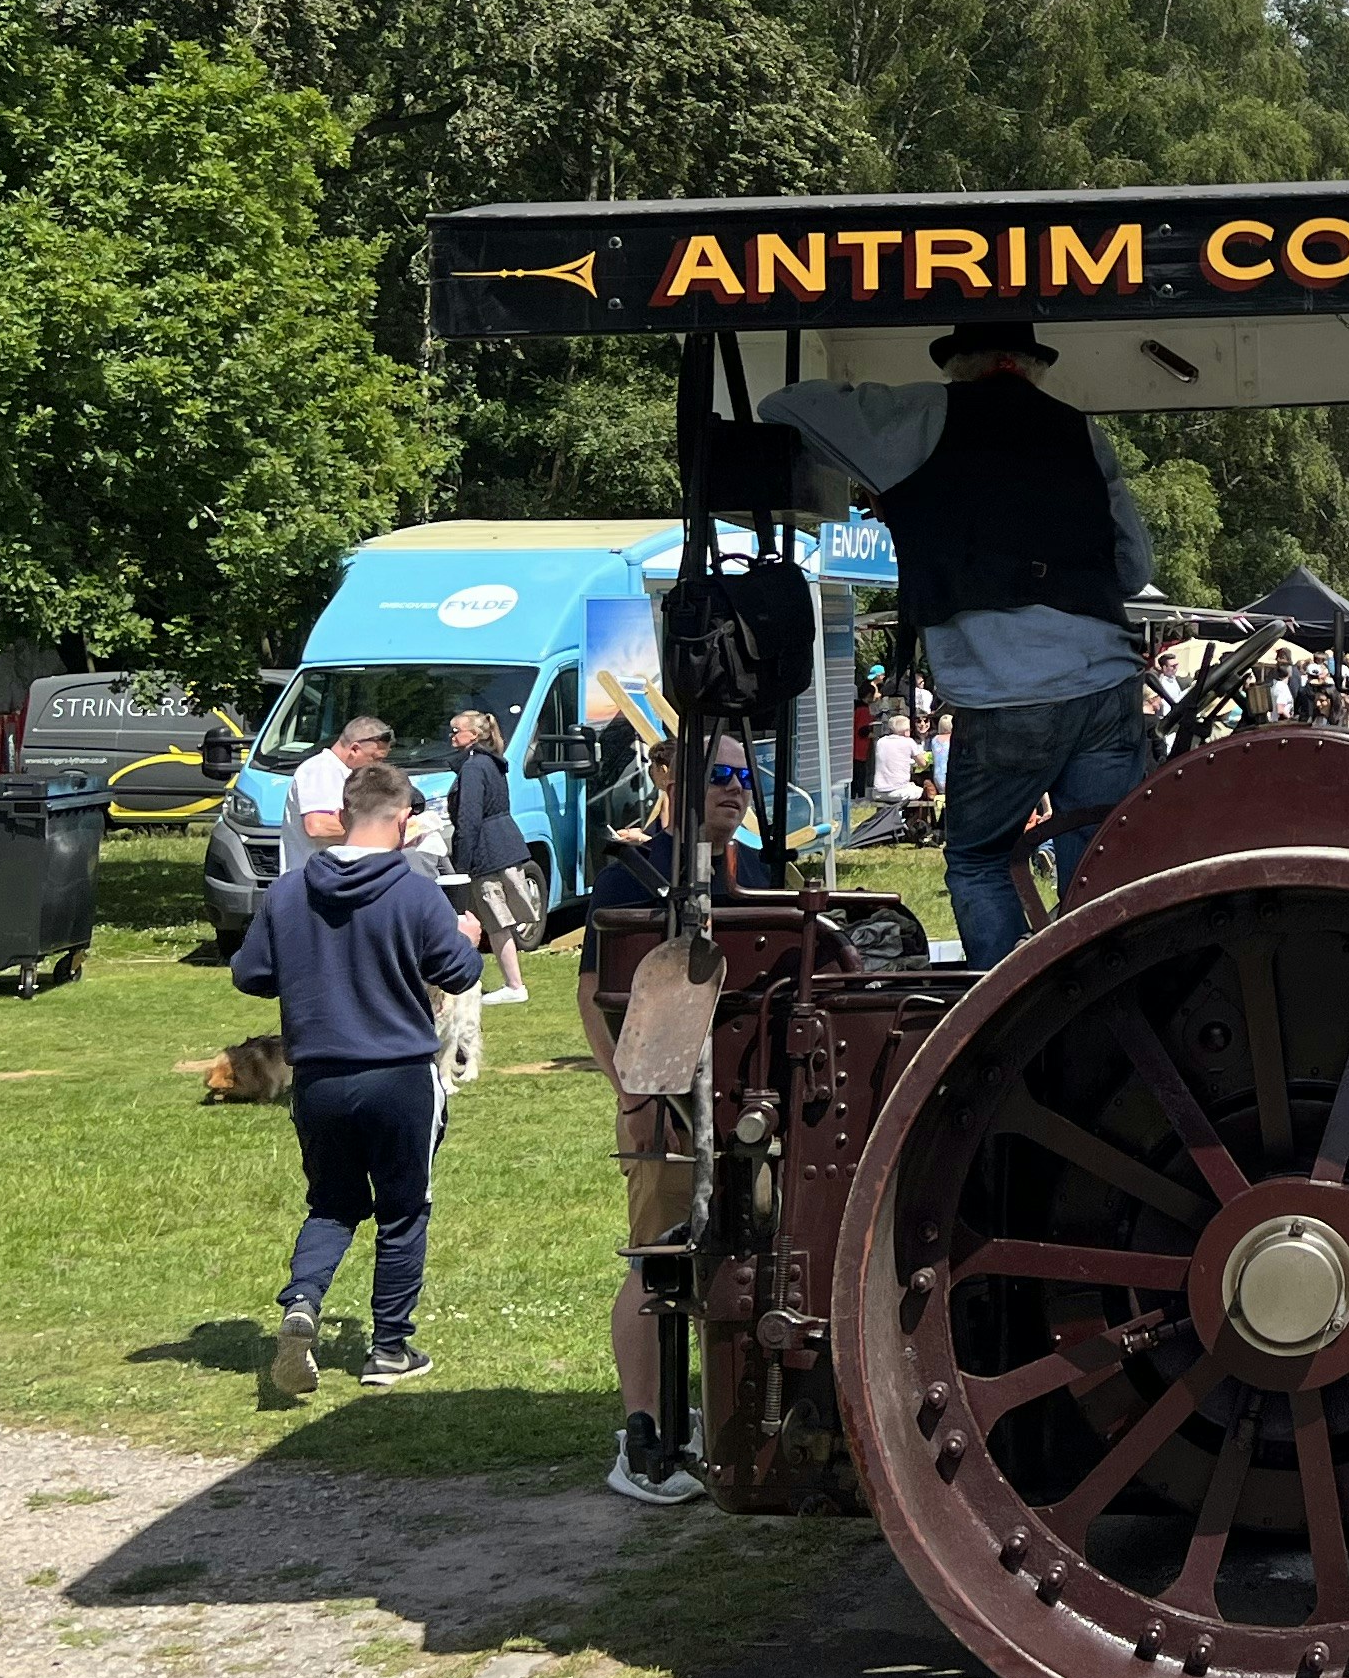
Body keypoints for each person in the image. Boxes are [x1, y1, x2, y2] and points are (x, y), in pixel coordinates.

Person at [764, 321, 1157, 969]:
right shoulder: (1081, 432)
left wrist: (892, 481)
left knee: (980, 860)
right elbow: (1135, 568)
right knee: (1101, 861)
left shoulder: (921, 418)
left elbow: (784, 406)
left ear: (964, 364)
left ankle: (1006, 1022)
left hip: (1003, 691)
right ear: (1024, 363)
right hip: (1105, 682)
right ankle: (1110, 1006)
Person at [236, 760, 485, 1395]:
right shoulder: (415, 892)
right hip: (399, 1075)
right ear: (403, 822)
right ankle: (391, 1350)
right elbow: (458, 973)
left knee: (332, 1203)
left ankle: (302, 1303)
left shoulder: (289, 891)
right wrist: (467, 934)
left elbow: (251, 974)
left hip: (317, 1077)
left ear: (343, 816)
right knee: (404, 1210)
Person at [580, 746, 783, 1502]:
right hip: (664, 1106)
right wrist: (634, 1093)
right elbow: (596, 996)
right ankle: (643, 1436)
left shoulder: (763, 871)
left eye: (743, 778)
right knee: (657, 1262)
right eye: (719, 777)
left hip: (753, 1107)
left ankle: (719, 1415)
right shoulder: (632, 874)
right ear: (674, 782)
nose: (735, 791)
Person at [444, 709, 533, 1016]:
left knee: (497, 921)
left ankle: (514, 985)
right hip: (505, 844)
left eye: (457, 730)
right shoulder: (491, 763)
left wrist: (462, 866)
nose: (452, 736)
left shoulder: (472, 768)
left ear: (474, 735)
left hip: (488, 850)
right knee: (501, 919)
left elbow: (469, 818)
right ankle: (513, 983)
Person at [287, 714, 392, 854]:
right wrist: (381, 831)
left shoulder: (343, 772)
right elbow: (317, 826)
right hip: (313, 874)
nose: (378, 766)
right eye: (376, 759)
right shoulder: (320, 768)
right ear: (354, 749)